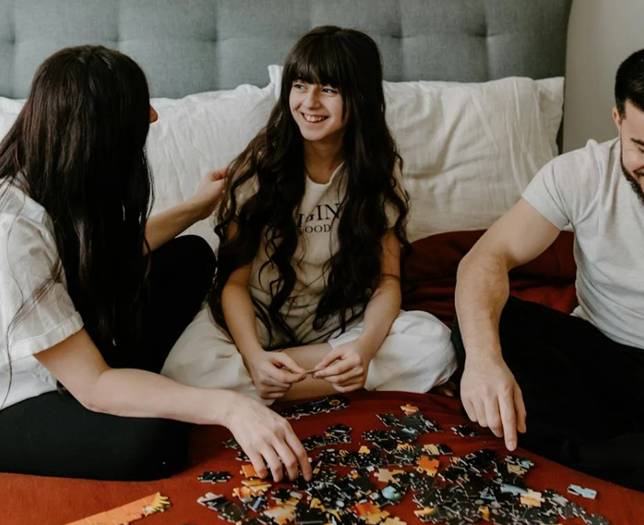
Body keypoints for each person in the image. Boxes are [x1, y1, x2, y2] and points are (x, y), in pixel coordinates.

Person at [0, 45, 311, 483]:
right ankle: (139, 393)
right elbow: (92, 384)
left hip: (54, 347)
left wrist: (197, 208)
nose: (154, 118)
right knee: (153, 443)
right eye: (137, 108)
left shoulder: (46, 172)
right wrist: (230, 406)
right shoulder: (8, 234)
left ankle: (139, 389)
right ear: (98, 135)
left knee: (191, 255)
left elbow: (108, 255)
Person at [162, 26, 456, 402]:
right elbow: (233, 284)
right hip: (258, 319)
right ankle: (309, 376)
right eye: (300, 85)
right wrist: (253, 357)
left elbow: (387, 280)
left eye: (329, 89)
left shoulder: (377, 172)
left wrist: (364, 349)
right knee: (184, 369)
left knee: (434, 342)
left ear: (360, 96)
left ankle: (283, 380)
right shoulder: (256, 171)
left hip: (339, 321)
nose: (310, 102)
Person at [453, 49, 644, 491]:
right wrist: (484, 364)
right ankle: (616, 452)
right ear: (618, 120)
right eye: (643, 148)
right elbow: (484, 259)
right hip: (604, 355)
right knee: (491, 323)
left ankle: (586, 454)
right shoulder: (579, 174)